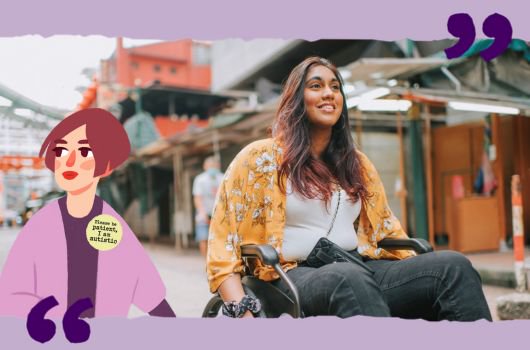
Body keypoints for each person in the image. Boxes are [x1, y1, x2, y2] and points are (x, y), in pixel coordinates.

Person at [206, 57, 492, 321]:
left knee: (452, 267)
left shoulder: (357, 163)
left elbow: (385, 232)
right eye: (316, 86)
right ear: (296, 99)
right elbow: (223, 247)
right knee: (347, 278)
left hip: (356, 265)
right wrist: (241, 309)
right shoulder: (260, 158)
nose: (329, 93)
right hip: (288, 275)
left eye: (335, 87)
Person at [0, 108, 175, 318]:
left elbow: (141, 280)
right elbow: (14, 292)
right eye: (62, 151)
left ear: (107, 167)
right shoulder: (41, 226)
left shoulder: (107, 224)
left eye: (84, 152)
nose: (69, 161)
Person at [192, 156, 224, 256]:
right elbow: (197, 197)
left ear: (218, 166)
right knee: (203, 238)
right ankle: (206, 262)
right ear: (205, 166)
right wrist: (202, 212)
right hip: (204, 212)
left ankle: (219, 260)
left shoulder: (223, 177)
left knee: (220, 238)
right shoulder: (200, 179)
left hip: (219, 213)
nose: (212, 167)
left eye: (214, 165)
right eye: (210, 165)